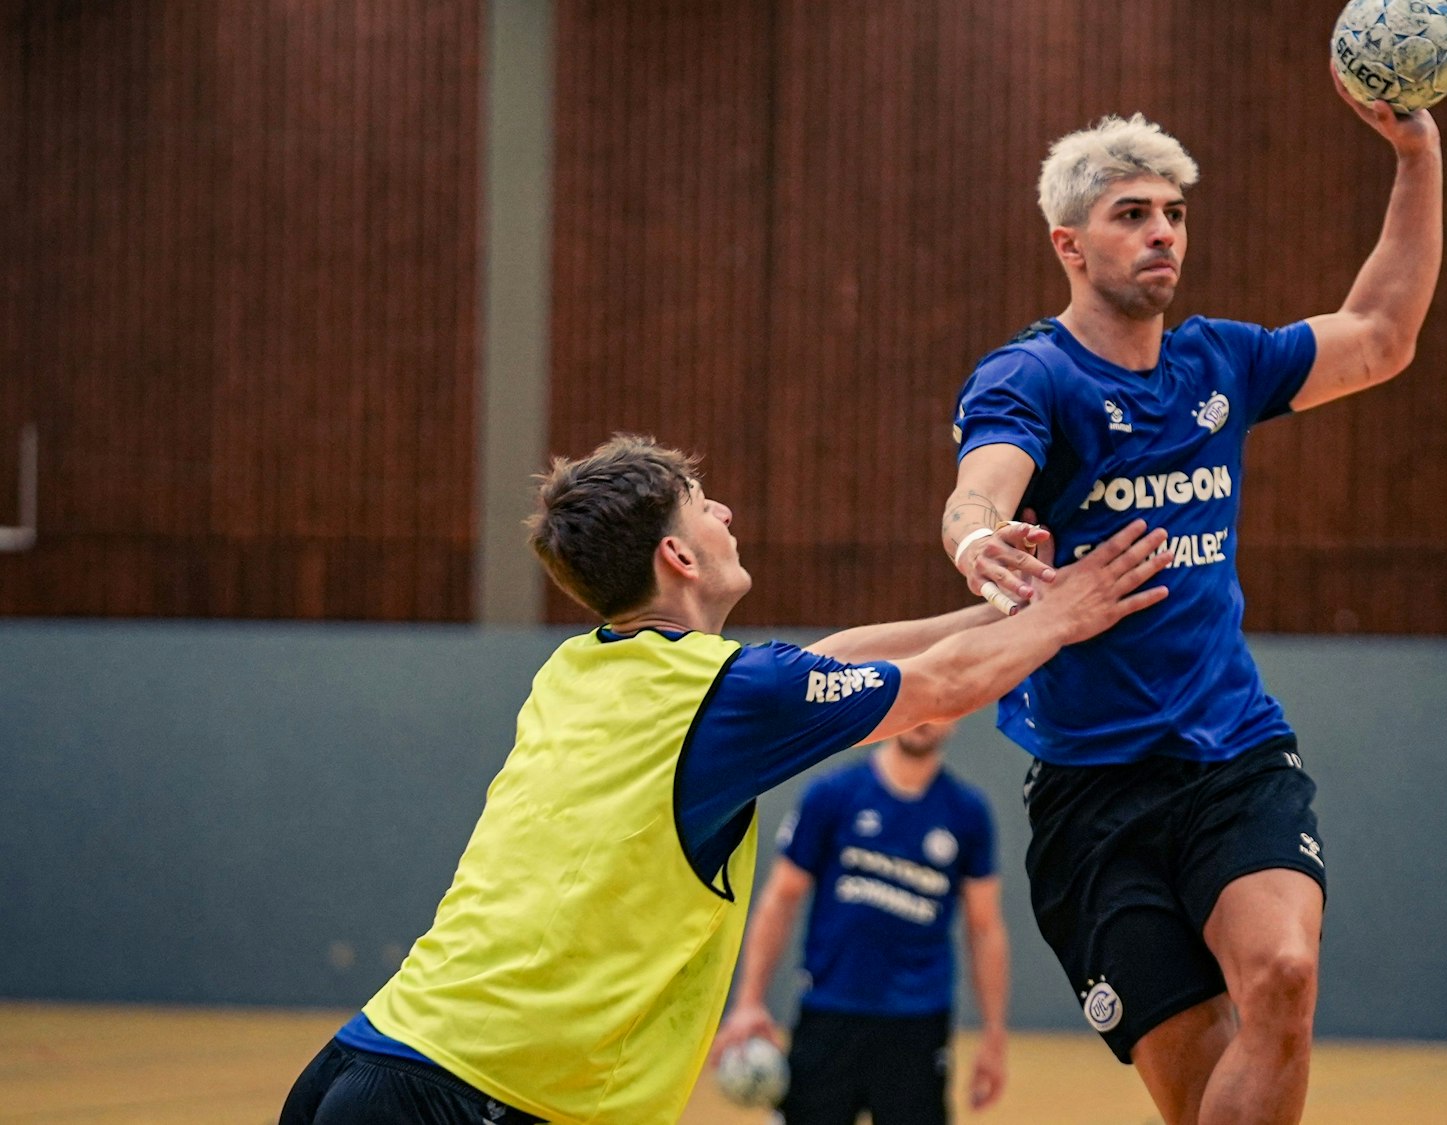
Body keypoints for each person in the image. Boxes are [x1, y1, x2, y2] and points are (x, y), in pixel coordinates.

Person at [279, 435, 1170, 1125]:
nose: (729, 512)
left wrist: (1007, 606)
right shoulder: (726, 695)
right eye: (706, 505)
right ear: (678, 556)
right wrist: (1067, 611)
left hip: (367, 1060)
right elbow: (937, 686)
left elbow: (828, 661)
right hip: (474, 1093)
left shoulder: (583, 669)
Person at [938, 63, 1443, 1125]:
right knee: (1196, 1085)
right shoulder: (1032, 378)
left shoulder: (1221, 364)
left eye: (1172, 213)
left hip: (1232, 755)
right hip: (1090, 793)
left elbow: (1382, 334)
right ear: (1069, 246)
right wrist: (979, 540)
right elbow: (980, 484)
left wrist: (1415, 157)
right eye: (1131, 215)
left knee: (1284, 977)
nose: (1162, 231)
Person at [712, 719, 1008, 1123]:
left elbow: (985, 927)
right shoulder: (832, 795)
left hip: (917, 1024)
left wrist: (993, 1034)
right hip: (830, 1014)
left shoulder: (967, 813)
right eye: (922, 705)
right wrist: (748, 1000)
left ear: (958, 718)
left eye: (943, 708)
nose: (927, 720)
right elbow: (780, 899)